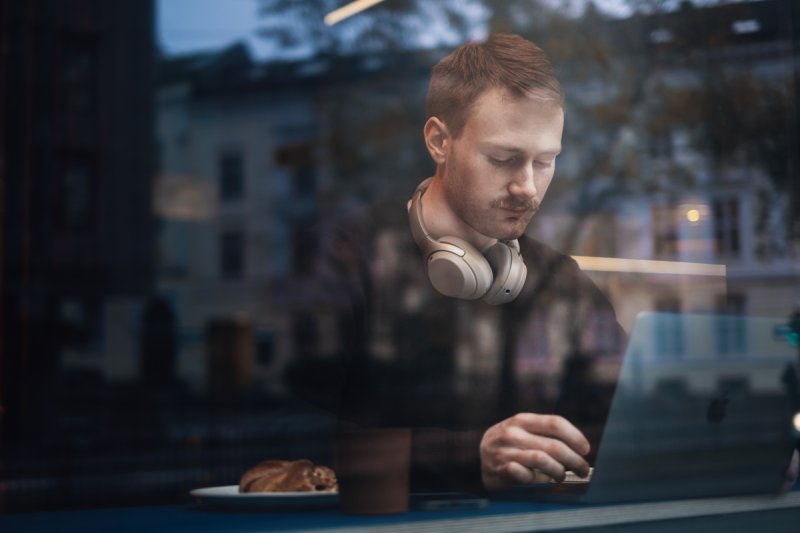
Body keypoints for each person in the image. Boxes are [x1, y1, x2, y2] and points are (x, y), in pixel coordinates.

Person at [286, 34, 625, 493]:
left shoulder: (560, 280)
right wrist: (469, 458)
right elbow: (299, 444)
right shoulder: (346, 259)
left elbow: (625, 424)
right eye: (503, 159)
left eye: (545, 162)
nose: (527, 186)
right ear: (439, 141)